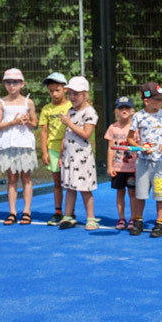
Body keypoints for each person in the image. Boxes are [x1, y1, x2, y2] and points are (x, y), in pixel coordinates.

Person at [128, 81, 162, 237]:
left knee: (160, 193)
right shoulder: (138, 116)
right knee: (140, 193)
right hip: (143, 161)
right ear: (146, 100)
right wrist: (141, 147)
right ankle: (138, 221)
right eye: (158, 99)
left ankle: (160, 223)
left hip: (160, 162)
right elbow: (130, 140)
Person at [0, 68, 38, 225]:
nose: (12, 86)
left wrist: (27, 122)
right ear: (4, 84)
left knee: (26, 177)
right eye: (8, 82)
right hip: (8, 144)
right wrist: (12, 122)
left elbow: (35, 124)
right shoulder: (1, 102)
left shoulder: (28, 102)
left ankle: (27, 211)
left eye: (15, 82)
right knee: (11, 178)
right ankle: (12, 212)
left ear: (22, 84)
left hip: (24, 144)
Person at [56, 76, 99, 231]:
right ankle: (68, 216)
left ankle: (91, 218)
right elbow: (66, 134)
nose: (72, 97)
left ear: (85, 95)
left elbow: (86, 134)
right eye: (70, 93)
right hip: (69, 156)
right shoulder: (70, 111)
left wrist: (69, 123)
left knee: (85, 188)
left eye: (76, 93)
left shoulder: (90, 112)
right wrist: (62, 155)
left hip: (82, 158)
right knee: (70, 187)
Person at [38, 72, 72, 225]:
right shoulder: (46, 109)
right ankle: (58, 211)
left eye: (57, 90)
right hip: (53, 149)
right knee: (57, 182)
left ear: (65, 89)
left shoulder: (71, 106)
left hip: (70, 150)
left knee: (70, 183)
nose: (54, 93)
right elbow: (44, 131)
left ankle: (70, 213)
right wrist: (44, 151)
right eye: (51, 90)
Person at [105, 96, 137, 229]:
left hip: (132, 168)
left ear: (132, 111)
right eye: (121, 108)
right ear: (116, 111)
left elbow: (138, 147)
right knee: (120, 192)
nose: (124, 110)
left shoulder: (135, 128)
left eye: (127, 108)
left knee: (132, 193)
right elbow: (110, 148)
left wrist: (138, 166)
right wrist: (110, 165)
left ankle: (133, 219)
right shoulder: (113, 128)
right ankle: (121, 218)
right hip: (118, 167)